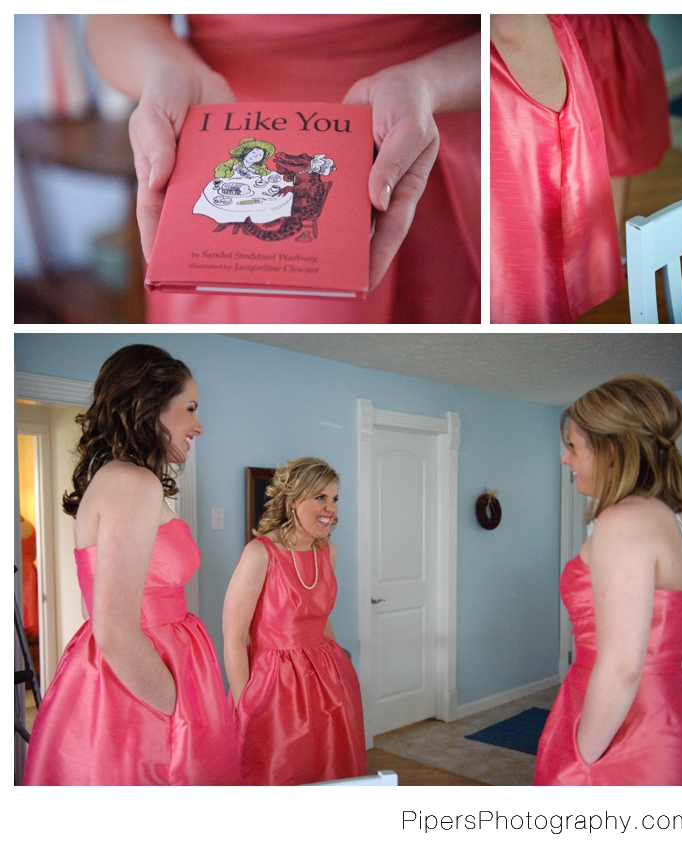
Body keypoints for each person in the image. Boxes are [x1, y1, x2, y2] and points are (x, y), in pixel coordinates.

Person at [84, 14, 481, 324]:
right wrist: (163, 71)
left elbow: (527, 31)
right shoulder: (242, 161)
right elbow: (116, 19)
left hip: (412, 135)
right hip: (216, 123)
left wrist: (429, 85)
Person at [23, 344, 239, 785]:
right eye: (191, 408)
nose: (198, 426)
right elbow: (114, 628)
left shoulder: (118, 479)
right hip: (142, 692)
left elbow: (94, 609)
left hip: (150, 670)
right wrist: (176, 713)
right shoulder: (132, 482)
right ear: (150, 405)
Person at [535, 376, 682, 785]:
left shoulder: (622, 521)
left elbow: (623, 666)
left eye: (573, 447)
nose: (564, 459)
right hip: (671, 710)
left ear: (609, 450)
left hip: (623, 728)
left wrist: (581, 759)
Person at [223, 457, 366, 784]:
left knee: (330, 768)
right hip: (274, 685)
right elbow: (233, 638)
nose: (330, 507)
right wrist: (246, 705)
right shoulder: (260, 554)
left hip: (328, 679)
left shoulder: (327, 552)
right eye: (320, 497)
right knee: (278, 772)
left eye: (334, 498)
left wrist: (339, 661)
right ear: (293, 500)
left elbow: (320, 618)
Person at [490, 15, 624, 323]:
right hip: (515, 91)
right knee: (531, 272)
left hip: (504, 75)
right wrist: (556, 102)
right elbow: (511, 24)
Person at [565, 15, 671, 238]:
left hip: (606, 34)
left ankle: (607, 247)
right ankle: (603, 246)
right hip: (584, 33)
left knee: (614, 148)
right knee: (602, 149)